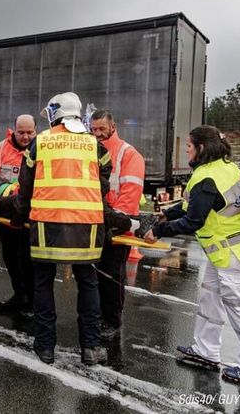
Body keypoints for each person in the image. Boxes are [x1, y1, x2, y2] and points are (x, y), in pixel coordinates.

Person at [144, 125, 240, 386]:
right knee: (209, 297)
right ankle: (206, 351)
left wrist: (159, 230)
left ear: (201, 148)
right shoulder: (226, 168)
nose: (186, 150)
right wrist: (168, 213)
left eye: (189, 146)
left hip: (234, 253)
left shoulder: (206, 177)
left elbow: (193, 220)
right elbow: (197, 205)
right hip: (226, 252)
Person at [8, 92, 124, 366]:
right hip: (87, 227)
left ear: (55, 113)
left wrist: (19, 216)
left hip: (47, 224)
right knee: (88, 284)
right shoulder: (95, 146)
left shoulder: (40, 143)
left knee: (43, 285)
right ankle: (90, 348)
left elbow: (25, 189)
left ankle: (45, 347)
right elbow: (104, 184)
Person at [90, 109, 146, 340]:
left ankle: (112, 321)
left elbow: (130, 195)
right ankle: (100, 316)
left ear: (113, 127)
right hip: (97, 222)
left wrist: (115, 223)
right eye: (93, 129)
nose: (97, 134)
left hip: (117, 224)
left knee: (113, 276)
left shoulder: (128, 154)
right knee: (96, 274)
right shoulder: (90, 151)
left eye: (102, 129)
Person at [0, 114, 37, 320]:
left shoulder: (41, 148)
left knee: (29, 262)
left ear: (36, 130)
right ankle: (19, 295)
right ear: (14, 130)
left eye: (29, 132)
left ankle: (33, 302)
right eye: (21, 132)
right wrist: (6, 191)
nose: (25, 137)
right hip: (8, 216)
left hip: (30, 216)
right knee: (10, 258)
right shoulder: (1, 149)